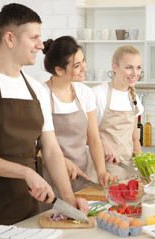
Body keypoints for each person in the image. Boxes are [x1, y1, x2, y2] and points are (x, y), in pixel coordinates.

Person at [0, 4, 88, 239]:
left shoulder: (36, 91)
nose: (41, 45)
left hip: (27, 214)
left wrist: (68, 199)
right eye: (33, 37)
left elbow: (52, 149)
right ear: (10, 38)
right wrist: (25, 172)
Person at [41, 36, 117, 194]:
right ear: (59, 70)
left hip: (82, 176)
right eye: (77, 65)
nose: (84, 68)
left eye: (83, 61)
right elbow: (34, 147)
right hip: (48, 178)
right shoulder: (40, 94)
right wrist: (61, 162)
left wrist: (102, 172)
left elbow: (94, 138)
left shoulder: (85, 93)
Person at [92, 45, 144, 179]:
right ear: (114, 67)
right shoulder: (98, 94)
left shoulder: (134, 98)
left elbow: (134, 139)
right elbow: (85, 135)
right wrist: (102, 143)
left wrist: (143, 167)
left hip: (127, 171)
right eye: (129, 67)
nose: (135, 73)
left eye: (138, 67)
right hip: (101, 170)